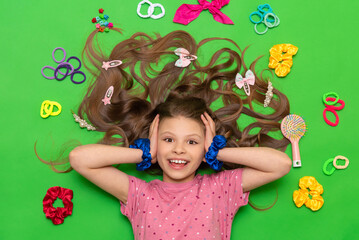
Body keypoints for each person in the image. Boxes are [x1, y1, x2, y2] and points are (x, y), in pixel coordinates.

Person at [50, 28, 292, 239]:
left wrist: (217, 152)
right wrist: (145, 153)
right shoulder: (140, 195)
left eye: (192, 142)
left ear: (204, 148)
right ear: (156, 141)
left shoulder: (220, 190)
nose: (179, 149)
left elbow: (280, 164)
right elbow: (79, 159)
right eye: (168, 139)